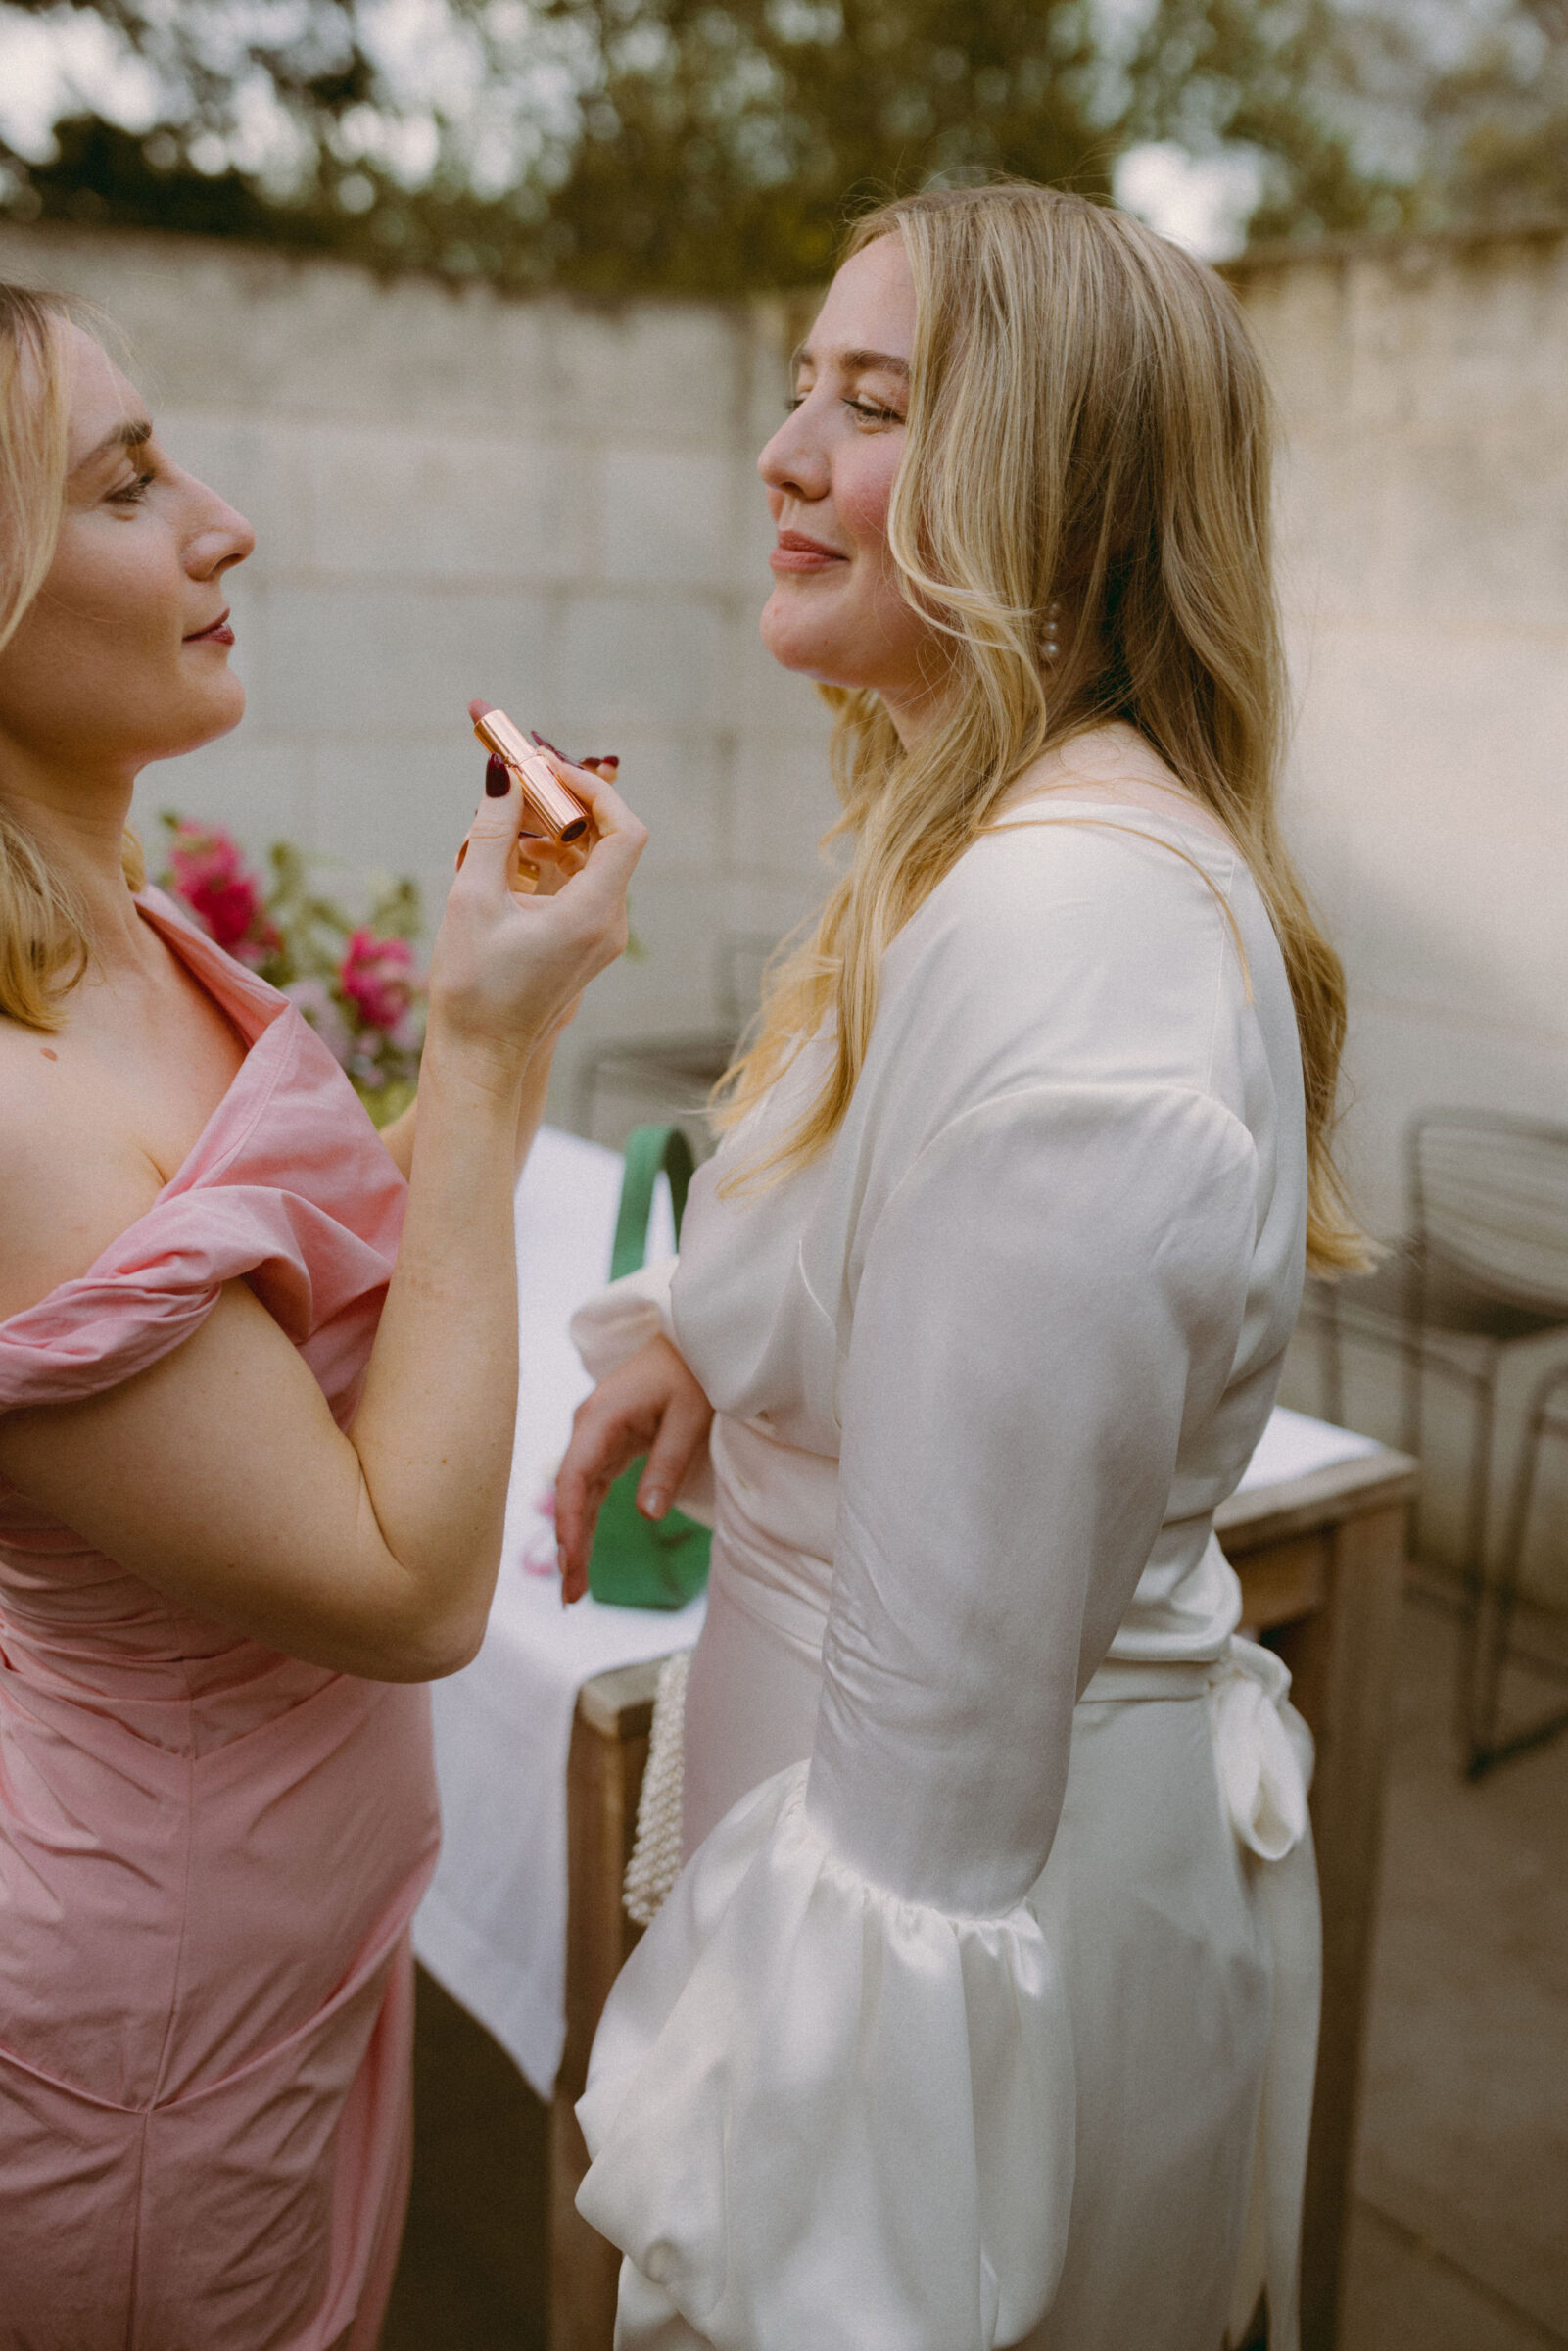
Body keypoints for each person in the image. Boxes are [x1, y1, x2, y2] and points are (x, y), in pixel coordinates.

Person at [553, 183, 1365, 2351]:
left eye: (875, 404)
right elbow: (900, 1257)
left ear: (1062, 493)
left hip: (951, 2014)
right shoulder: (972, 840)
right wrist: (715, 1352)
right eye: (798, 388)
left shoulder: (1060, 928)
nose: (782, 454)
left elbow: (925, 1819)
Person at [0, 284, 643, 2350]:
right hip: (148, 2039)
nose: (226, 522)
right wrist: (486, 1044)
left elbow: (297, 1279)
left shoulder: (116, 931)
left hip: (278, 1962)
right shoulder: (10, 1109)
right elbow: (402, 1587)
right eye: (126, 486)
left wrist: (501, 987)